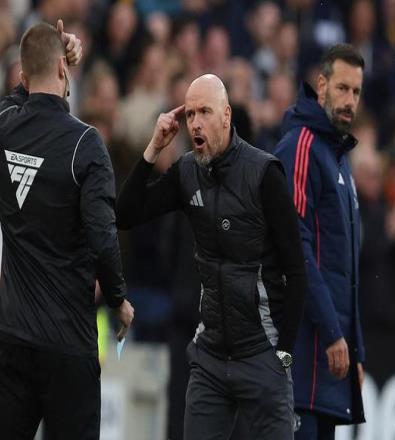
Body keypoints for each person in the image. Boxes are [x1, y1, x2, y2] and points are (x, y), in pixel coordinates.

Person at [116, 73, 307, 439]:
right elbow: (125, 215)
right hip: (211, 358)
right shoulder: (187, 171)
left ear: (226, 115)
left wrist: (283, 354)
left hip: (261, 353)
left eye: (205, 111)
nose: (195, 123)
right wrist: (153, 149)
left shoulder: (264, 173)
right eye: (190, 114)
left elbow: (296, 270)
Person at [0, 21, 134, 440]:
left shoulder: (2, 125)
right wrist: (118, 299)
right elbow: (103, 238)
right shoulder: (86, 144)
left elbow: (15, 96)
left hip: (12, 336)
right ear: (65, 70)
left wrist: (44, 60)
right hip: (67, 343)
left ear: (23, 75)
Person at [273, 43, 366, 439]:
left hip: (330, 361)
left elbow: (346, 269)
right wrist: (332, 333)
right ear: (322, 85)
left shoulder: (338, 156)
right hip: (302, 358)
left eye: (356, 92)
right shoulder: (301, 146)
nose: (349, 101)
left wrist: (355, 349)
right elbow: (295, 247)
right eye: (342, 88)